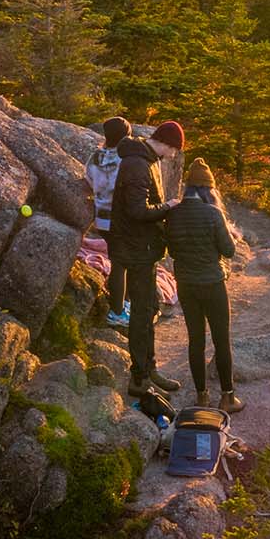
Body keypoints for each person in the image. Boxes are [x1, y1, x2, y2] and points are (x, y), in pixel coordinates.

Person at [166, 159, 244, 413]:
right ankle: (228, 397)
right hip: (212, 283)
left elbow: (172, 249)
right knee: (221, 339)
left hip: (186, 285)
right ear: (208, 189)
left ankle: (201, 396)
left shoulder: (173, 213)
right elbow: (229, 251)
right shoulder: (213, 213)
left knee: (195, 340)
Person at [116, 119, 184, 396]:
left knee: (149, 309)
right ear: (168, 144)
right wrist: (167, 207)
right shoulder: (136, 164)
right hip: (136, 249)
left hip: (145, 247)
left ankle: (149, 367)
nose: (176, 155)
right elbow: (136, 211)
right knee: (142, 312)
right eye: (176, 149)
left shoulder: (149, 160)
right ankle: (139, 378)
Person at [85, 116, 132, 327]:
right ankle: (118, 311)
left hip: (102, 220)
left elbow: (88, 179)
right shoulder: (126, 159)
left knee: (119, 261)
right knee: (121, 265)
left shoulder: (95, 157)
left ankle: (122, 305)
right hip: (121, 220)